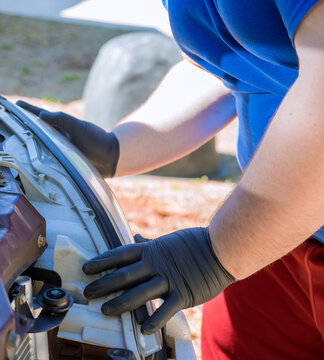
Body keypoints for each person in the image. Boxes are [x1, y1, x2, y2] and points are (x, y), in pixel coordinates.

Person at [18, 0, 324, 358]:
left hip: (262, 228)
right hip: (274, 234)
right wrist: (119, 148)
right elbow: (223, 61)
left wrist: (216, 254)